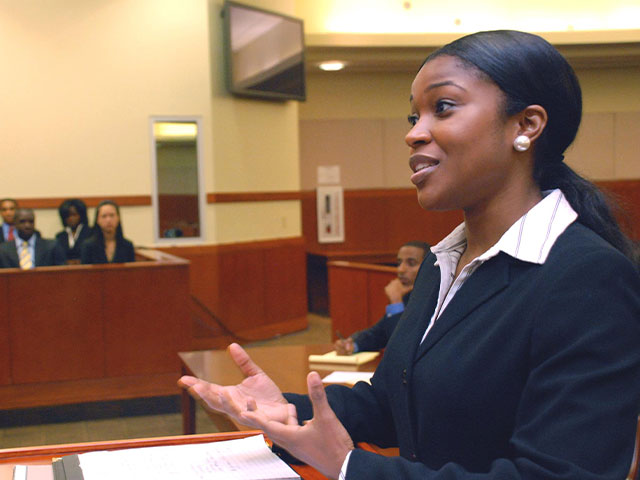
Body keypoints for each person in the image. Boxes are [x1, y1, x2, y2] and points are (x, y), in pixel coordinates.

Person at [179, 30, 640, 480]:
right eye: (412, 117)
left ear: (526, 125)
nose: (415, 134)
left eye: (442, 107)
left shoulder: (588, 277)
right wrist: (286, 408)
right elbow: (393, 403)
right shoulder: (444, 263)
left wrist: (349, 467)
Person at [334, 241, 429, 354]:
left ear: (428, 267)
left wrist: (395, 302)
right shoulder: (408, 296)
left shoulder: (436, 301)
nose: (401, 270)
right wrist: (353, 344)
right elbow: (380, 333)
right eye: (399, 263)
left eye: (411, 263)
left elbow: (403, 347)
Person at [0, 208, 66, 268]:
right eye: (22, 222)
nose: (27, 225)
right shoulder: (2, 250)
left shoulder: (51, 246)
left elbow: (62, 273)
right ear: (15, 224)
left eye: (31, 222)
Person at [80, 200, 135, 264]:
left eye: (112, 215)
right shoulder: (88, 246)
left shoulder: (127, 245)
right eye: (104, 216)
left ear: (118, 218)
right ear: (97, 220)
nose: (108, 220)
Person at [55, 198, 92, 264]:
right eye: (68, 216)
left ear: (81, 215)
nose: (71, 219)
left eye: (74, 215)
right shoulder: (60, 236)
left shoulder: (91, 233)